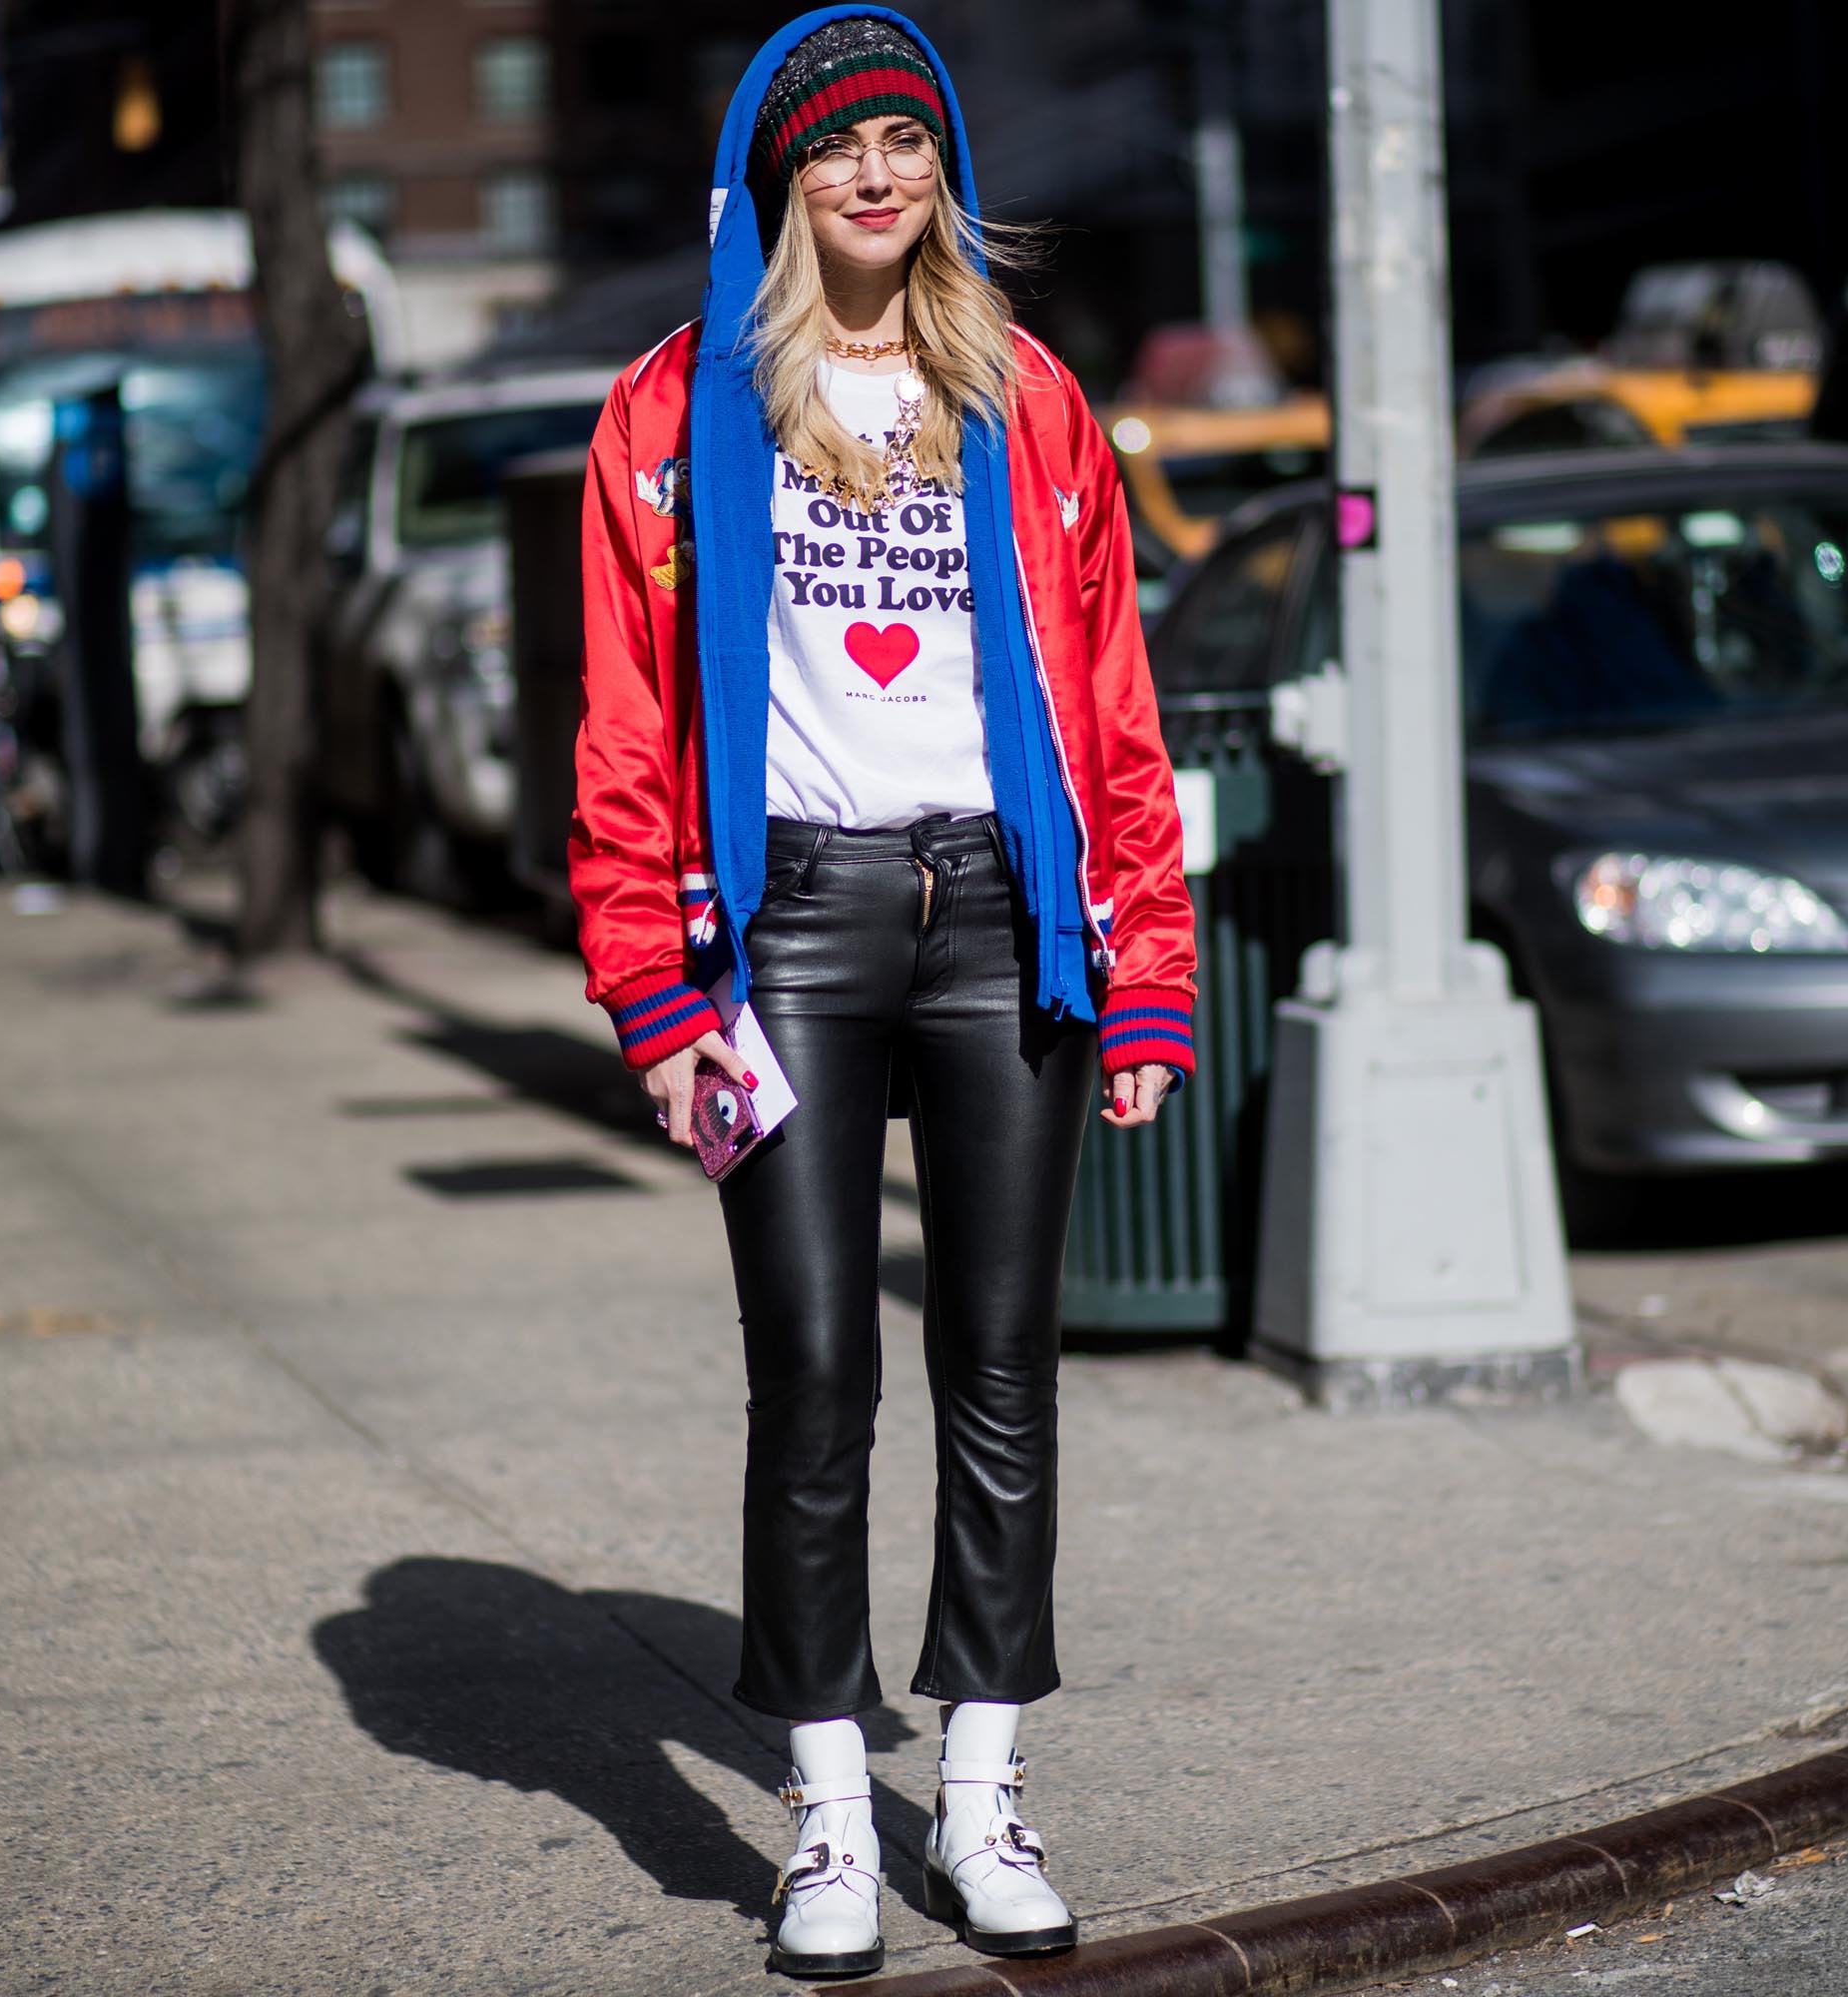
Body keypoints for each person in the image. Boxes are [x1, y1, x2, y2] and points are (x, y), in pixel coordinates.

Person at [569, 10, 1194, 1977]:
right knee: (814, 1379)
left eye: (907, 143)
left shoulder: (1027, 401)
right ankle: (834, 1813)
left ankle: (985, 1788)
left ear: (944, 176)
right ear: (777, 175)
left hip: (1004, 916)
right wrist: (657, 1003)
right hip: (796, 938)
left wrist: (1152, 973)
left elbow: (1110, 711)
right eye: (838, 143)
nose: (874, 172)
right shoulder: (673, 415)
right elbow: (622, 743)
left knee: (1001, 1372)